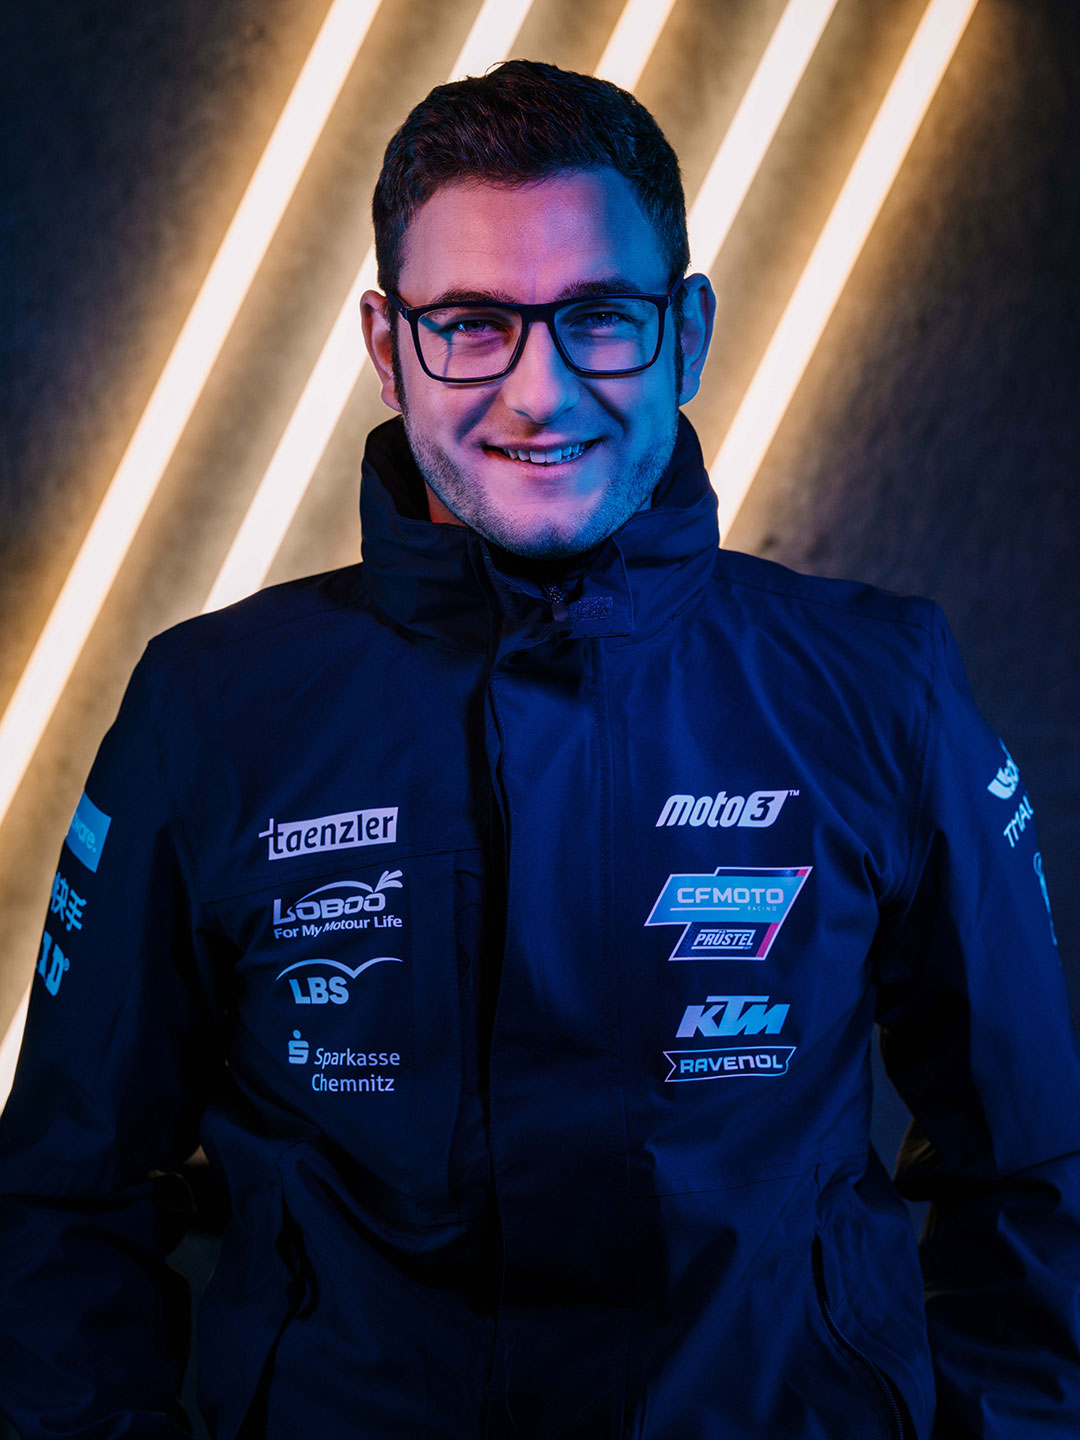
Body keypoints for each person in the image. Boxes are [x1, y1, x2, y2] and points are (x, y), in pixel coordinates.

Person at [1, 58, 1078, 1440]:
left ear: (687, 332)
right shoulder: (209, 709)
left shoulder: (878, 689)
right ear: (386, 345)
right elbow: (65, 1205)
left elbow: (1036, 1178)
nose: (539, 392)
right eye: (471, 324)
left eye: (599, 318)